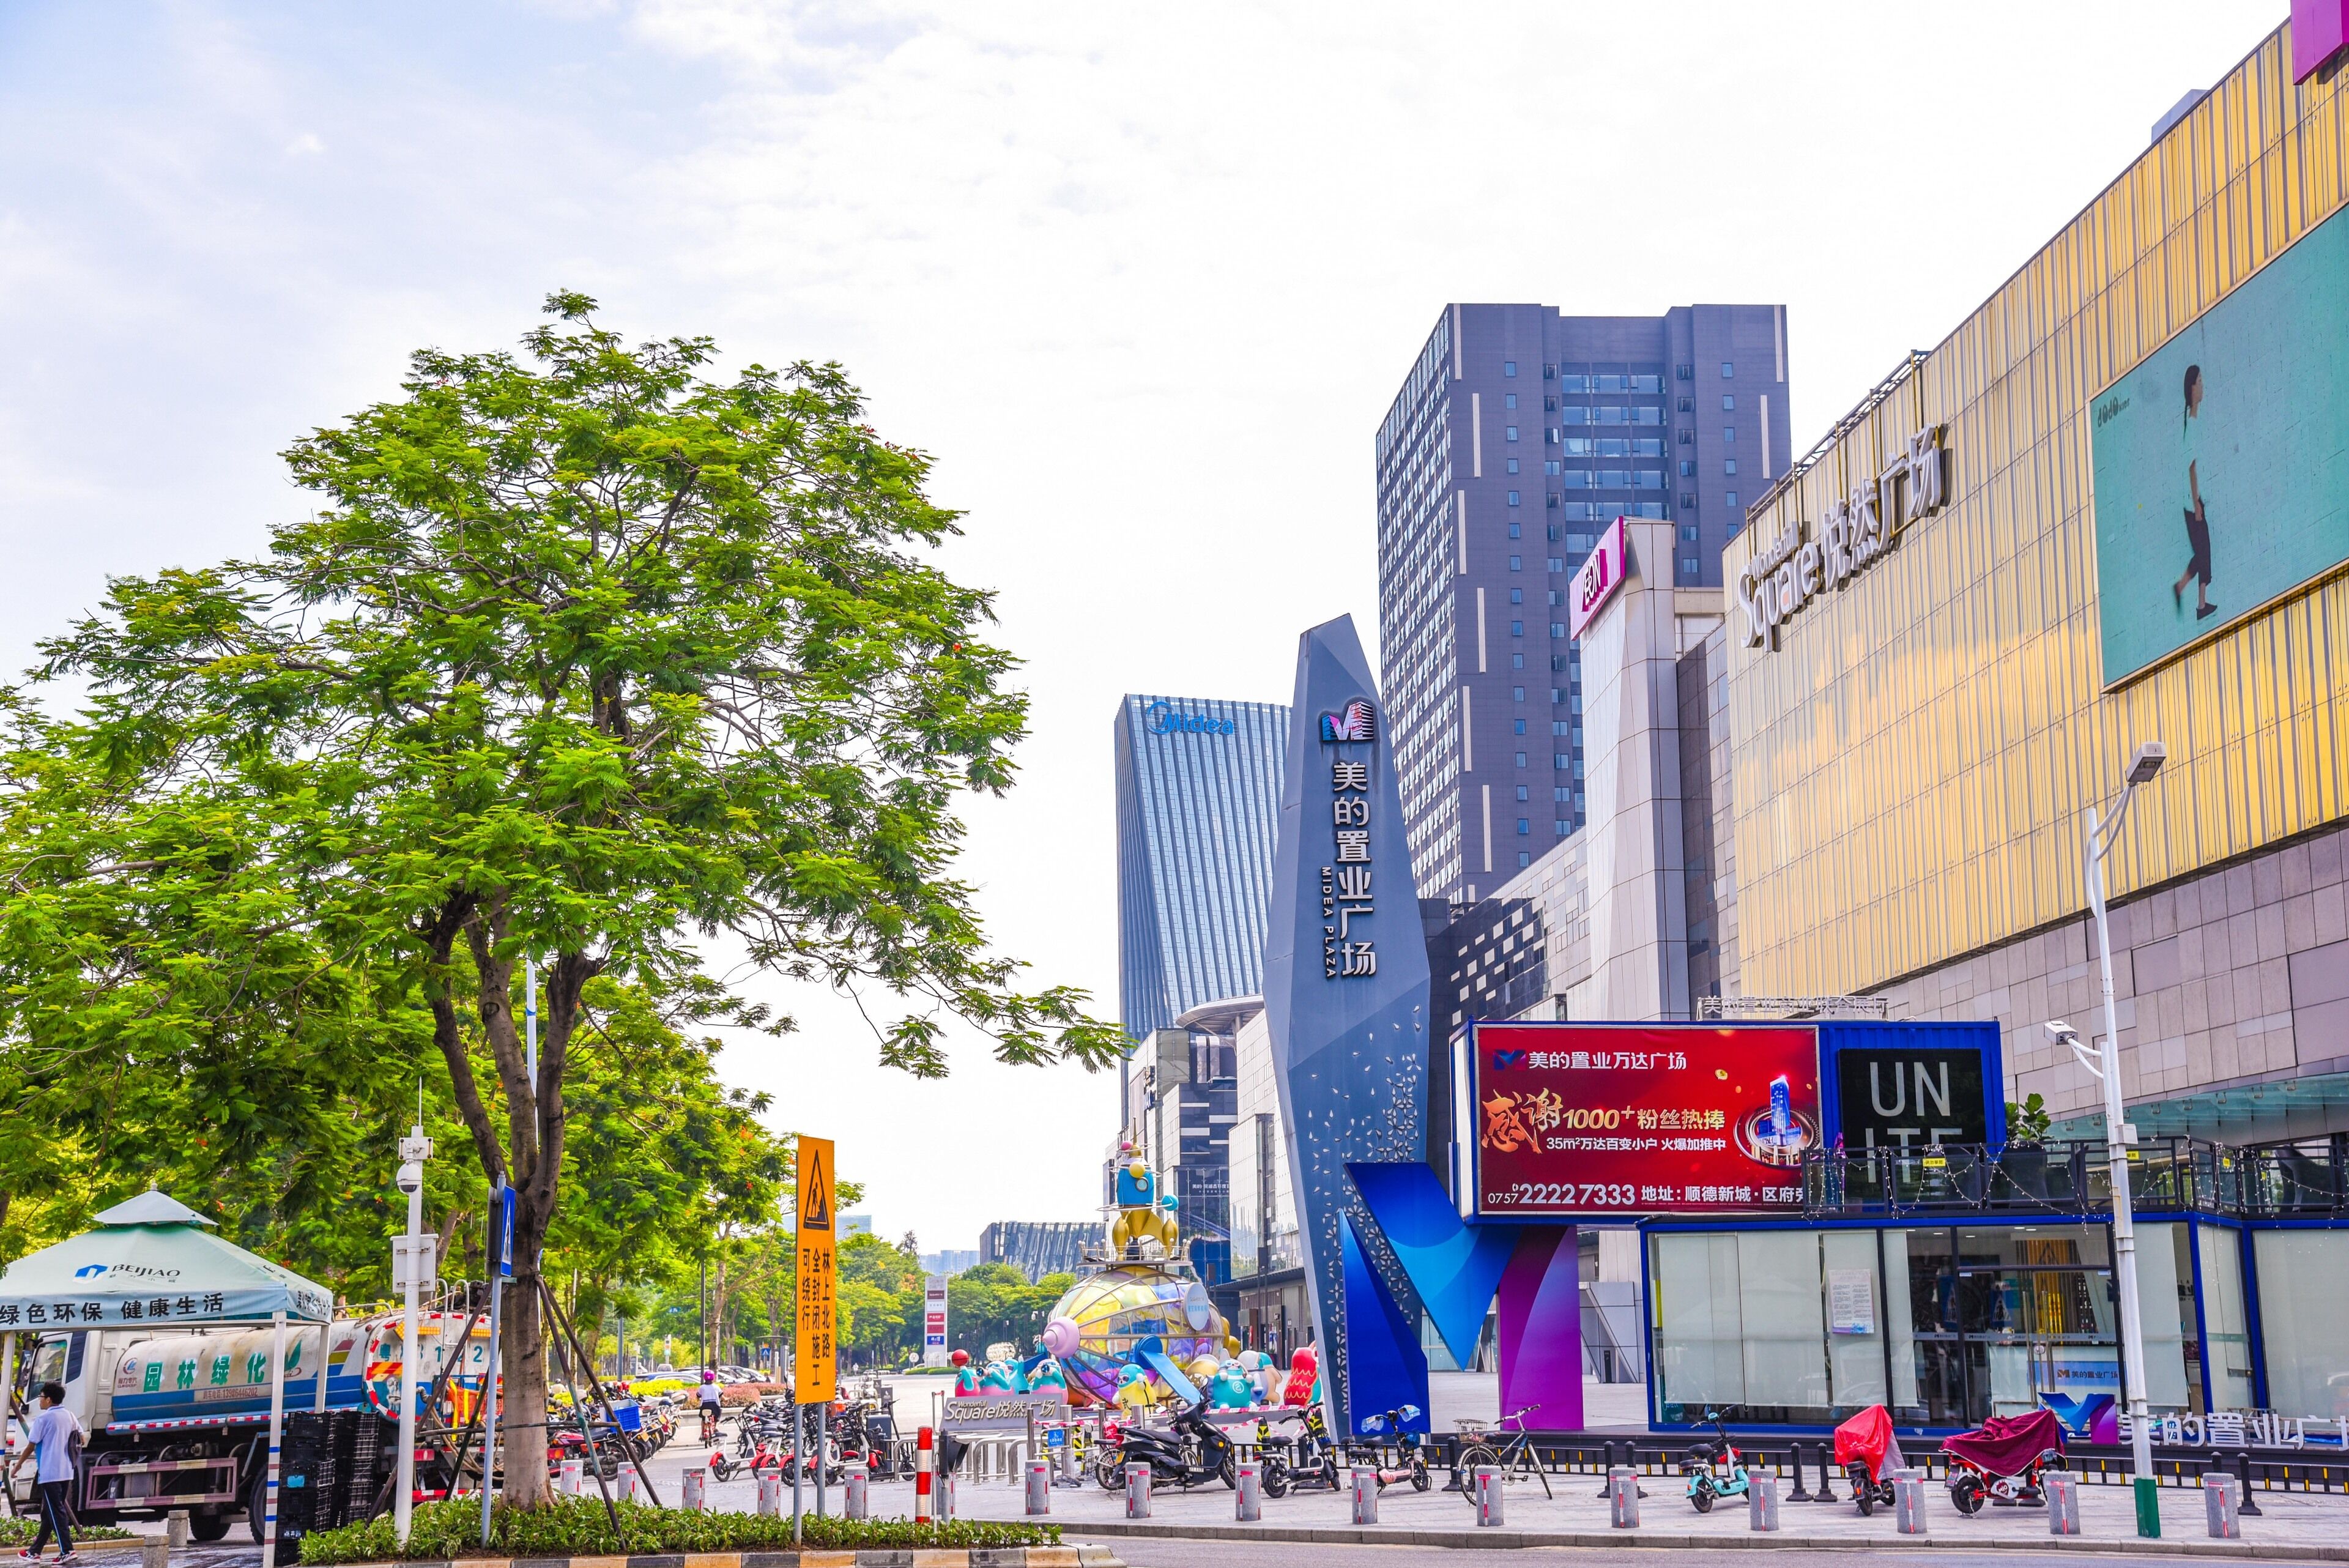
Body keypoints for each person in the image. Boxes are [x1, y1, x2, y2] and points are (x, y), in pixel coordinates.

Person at [9, 1381, 82, 1564]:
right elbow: (81, 1437)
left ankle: (67, 1550)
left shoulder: (43, 1420)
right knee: (49, 1513)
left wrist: (18, 1465)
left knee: (55, 1511)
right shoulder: (70, 1416)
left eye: (41, 1397)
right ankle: (35, 1551)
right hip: (67, 1471)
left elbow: (31, 1444)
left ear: (49, 1400)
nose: (39, 1401)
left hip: (50, 1472)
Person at [2172, 362, 2217, 621]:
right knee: (2203, 553)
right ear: (2192, 388)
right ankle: (2183, 589)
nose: (2203, 386)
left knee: (2204, 552)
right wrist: (2197, 503)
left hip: (2194, 499)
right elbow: (2190, 467)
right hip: (2192, 502)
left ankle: (2200, 604)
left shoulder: (2194, 420)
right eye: (2200, 381)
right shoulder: (2192, 422)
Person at [696, 1371, 721, 1444]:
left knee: (703, 1419)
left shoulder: (702, 1387)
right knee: (717, 1417)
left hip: (704, 1406)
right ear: (713, 1377)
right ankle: (716, 1426)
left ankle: (702, 1433)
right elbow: (722, 1396)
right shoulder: (716, 1387)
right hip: (715, 1406)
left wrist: (699, 1400)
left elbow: (698, 1396)